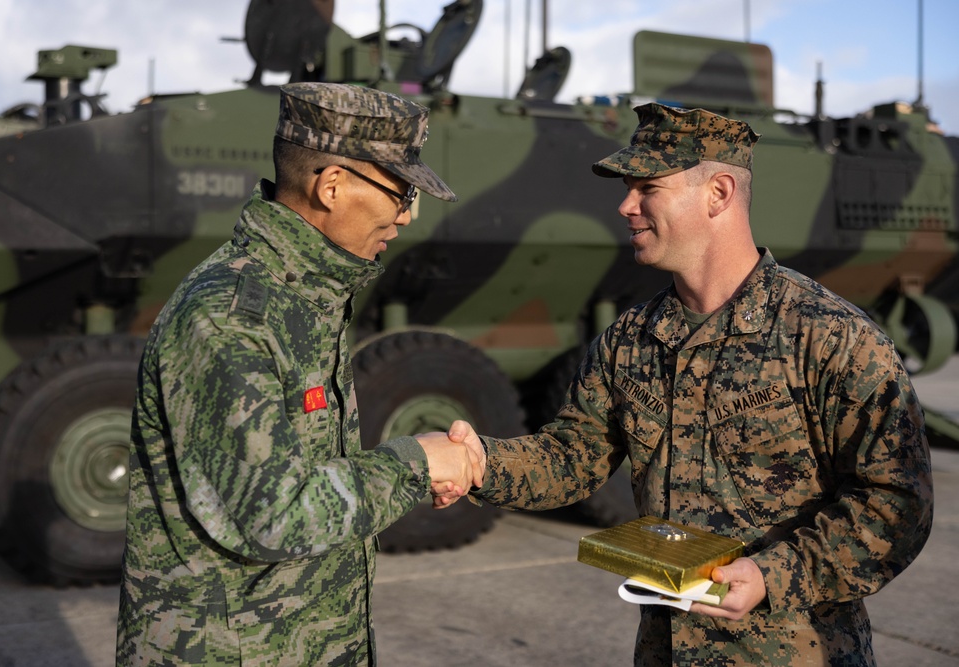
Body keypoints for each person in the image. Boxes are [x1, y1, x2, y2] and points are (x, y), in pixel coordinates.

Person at [433, 103, 934, 666]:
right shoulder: (630, 339)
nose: (625, 206)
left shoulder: (829, 337)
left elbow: (896, 505)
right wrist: (479, 463)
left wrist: (771, 576)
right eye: (627, 189)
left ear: (718, 193)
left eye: (647, 187)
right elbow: (571, 457)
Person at [116, 82, 478, 666]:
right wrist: (416, 462)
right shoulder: (231, 316)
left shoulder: (305, 294)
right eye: (401, 189)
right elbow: (274, 515)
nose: (407, 215)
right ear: (331, 186)